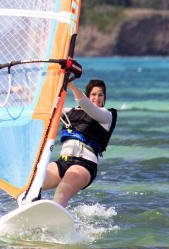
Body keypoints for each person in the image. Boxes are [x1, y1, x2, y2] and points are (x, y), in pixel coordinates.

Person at [40, 78, 117, 207]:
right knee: (33, 183)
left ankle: (57, 225)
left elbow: (88, 107)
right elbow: (47, 107)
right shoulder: (70, 112)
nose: (97, 98)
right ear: (88, 95)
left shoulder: (106, 115)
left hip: (84, 165)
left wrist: (71, 86)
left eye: (100, 95)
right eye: (93, 94)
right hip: (63, 162)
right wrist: (23, 93)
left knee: (60, 194)